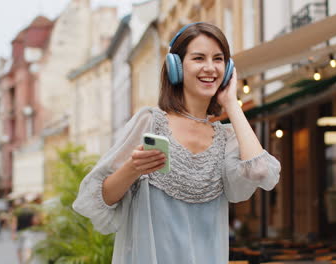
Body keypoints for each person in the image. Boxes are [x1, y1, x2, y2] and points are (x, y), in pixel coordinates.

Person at [73, 22, 281, 263]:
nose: (210, 68)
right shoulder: (149, 123)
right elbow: (100, 200)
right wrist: (133, 168)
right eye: (198, 58)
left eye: (218, 59)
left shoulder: (227, 138)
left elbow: (260, 171)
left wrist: (232, 104)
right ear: (176, 67)